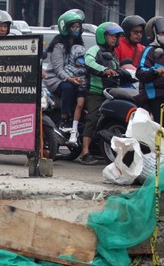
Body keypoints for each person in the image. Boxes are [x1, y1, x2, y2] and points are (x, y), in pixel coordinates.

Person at [75, 21, 123, 165]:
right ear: (103, 36)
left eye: (116, 36)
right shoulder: (95, 50)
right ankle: (85, 152)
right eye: (111, 36)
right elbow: (88, 62)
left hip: (112, 92)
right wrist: (103, 70)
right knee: (93, 118)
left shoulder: (114, 55)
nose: (114, 39)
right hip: (96, 91)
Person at [45, 9, 86, 136]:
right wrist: (70, 79)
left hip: (74, 78)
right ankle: (64, 121)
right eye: (73, 26)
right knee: (68, 88)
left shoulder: (79, 44)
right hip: (56, 80)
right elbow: (58, 69)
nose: (77, 29)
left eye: (78, 26)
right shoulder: (59, 45)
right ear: (66, 28)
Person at [136, 16, 164, 132]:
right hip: (156, 96)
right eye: (162, 33)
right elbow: (141, 72)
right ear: (154, 33)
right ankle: (157, 148)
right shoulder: (149, 51)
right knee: (161, 128)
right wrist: (155, 71)